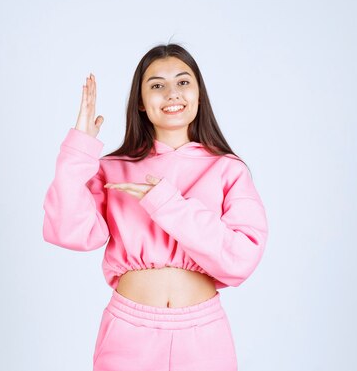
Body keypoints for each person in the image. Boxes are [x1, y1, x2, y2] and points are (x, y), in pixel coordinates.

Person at [42, 43, 269, 371]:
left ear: (199, 94)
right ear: (141, 102)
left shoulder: (228, 169)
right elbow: (68, 232)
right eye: (157, 86)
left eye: (183, 82)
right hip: (128, 334)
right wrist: (78, 150)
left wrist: (164, 201)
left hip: (203, 337)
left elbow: (240, 260)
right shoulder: (113, 167)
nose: (172, 94)